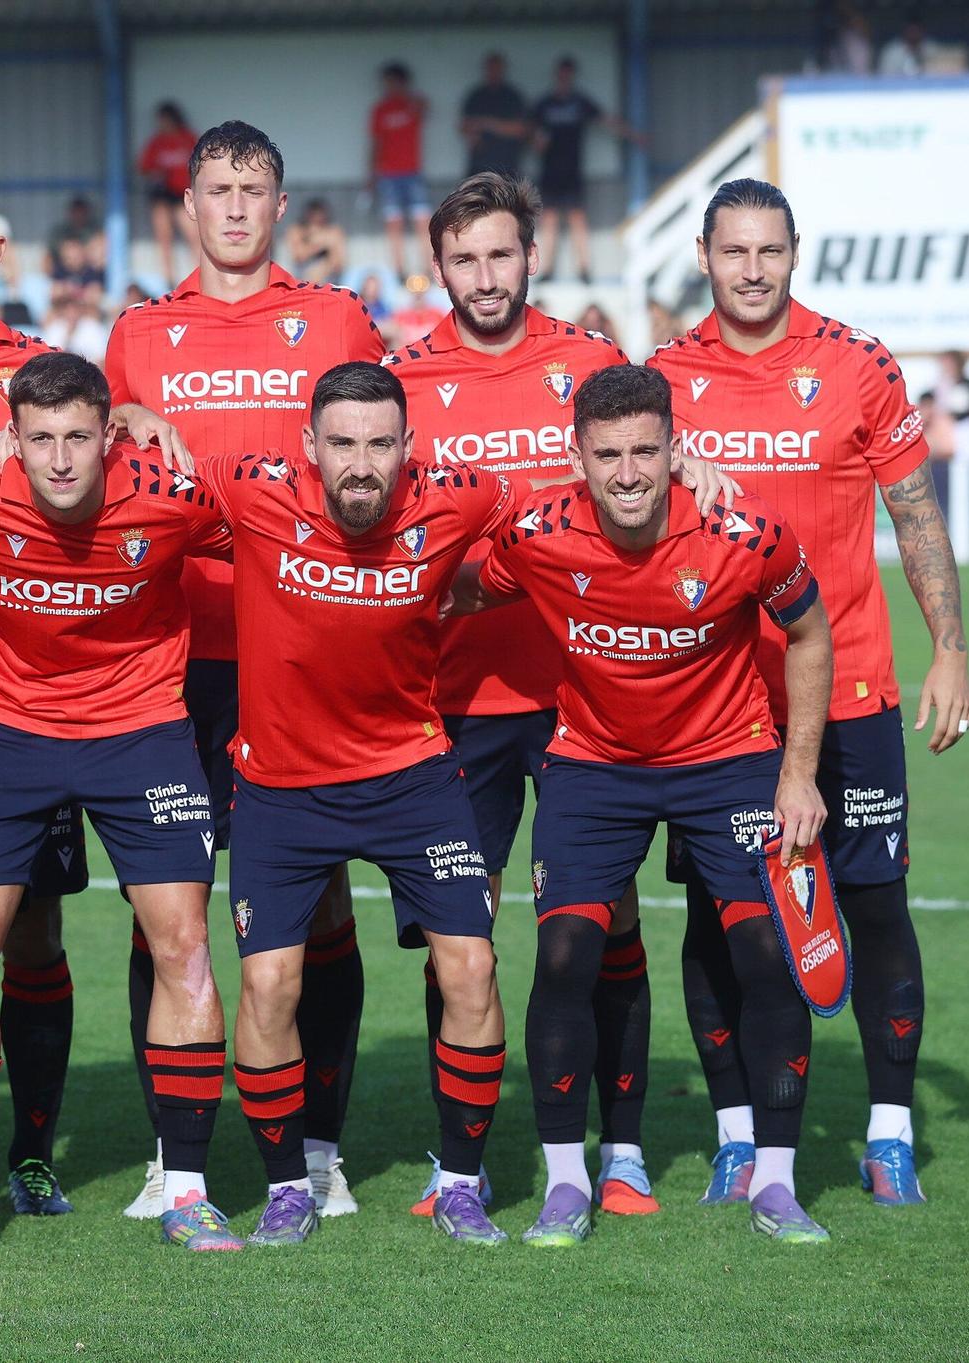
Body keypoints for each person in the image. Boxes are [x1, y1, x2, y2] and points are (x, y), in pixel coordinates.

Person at [456, 361, 837, 1245]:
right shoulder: (539, 530)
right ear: (575, 455)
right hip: (595, 765)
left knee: (766, 955)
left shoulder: (746, 531)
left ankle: (774, 1182)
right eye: (607, 455)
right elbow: (459, 589)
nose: (627, 474)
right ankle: (565, 1183)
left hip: (728, 759)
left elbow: (811, 630)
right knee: (562, 956)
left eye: (644, 452)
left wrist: (798, 770)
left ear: (677, 448)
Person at [648, 178, 969, 1206]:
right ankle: (737, 1133)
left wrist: (949, 649)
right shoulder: (659, 380)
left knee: (875, 905)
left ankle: (886, 1131)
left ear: (794, 254)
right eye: (732, 251)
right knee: (719, 916)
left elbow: (912, 509)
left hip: (853, 690)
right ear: (701, 254)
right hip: (715, 706)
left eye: (769, 252)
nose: (751, 270)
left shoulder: (855, 363)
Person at [105, 119, 384, 1218]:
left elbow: (374, 462)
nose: (231, 206)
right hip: (169, 661)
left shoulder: (333, 319)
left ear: (280, 206)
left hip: (302, 652)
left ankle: (318, 1147)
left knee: (316, 907)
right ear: (185, 206)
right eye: (214, 188)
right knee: (160, 909)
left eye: (251, 188)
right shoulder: (138, 331)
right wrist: (120, 410)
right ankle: (171, 1158)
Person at [0, 351, 240, 1255]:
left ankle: (186, 1188)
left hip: (141, 731)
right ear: (11, 437)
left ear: (110, 433)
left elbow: (286, 524)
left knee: (184, 948)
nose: (61, 460)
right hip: (4, 734)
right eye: (41, 438)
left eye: (79, 437)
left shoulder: (173, 490)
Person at [383, 172, 657, 1217]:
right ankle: (464, 1156)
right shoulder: (398, 377)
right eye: (463, 259)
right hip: (452, 698)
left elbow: (649, 478)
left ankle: (620, 1151)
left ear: (528, 255)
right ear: (437, 265)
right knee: (461, 927)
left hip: (589, 690)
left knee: (601, 918)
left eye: (500, 255)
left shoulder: (590, 365)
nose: (483, 277)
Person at [197, 362, 509, 1246]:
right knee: (267, 984)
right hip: (280, 785)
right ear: (309, 447)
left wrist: (689, 474)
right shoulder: (251, 490)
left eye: (380, 444)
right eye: (342, 444)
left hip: (412, 776)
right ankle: (291, 1185)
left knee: (472, 968)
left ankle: (458, 1182)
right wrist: (133, 411)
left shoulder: (461, 497)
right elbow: (134, 460)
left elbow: (574, 500)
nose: (361, 464)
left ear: (411, 449)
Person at [532, 57, 642, 285]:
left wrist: (633, 134)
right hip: (550, 172)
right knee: (549, 219)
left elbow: (606, 120)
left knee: (577, 218)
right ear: (556, 76)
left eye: (567, 74)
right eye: (561, 74)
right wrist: (538, 142)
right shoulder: (545, 105)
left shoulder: (579, 102)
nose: (564, 78)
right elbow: (532, 136)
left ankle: (584, 269)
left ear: (571, 76)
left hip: (573, 171)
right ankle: (547, 269)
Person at [369, 63, 430, 281]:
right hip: (388, 175)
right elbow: (375, 143)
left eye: (394, 81)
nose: (390, 86)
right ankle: (398, 270)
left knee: (423, 221)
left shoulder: (412, 104)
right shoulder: (380, 109)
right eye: (387, 82)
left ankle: (428, 267)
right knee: (394, 223)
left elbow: (425, 109)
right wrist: (371, 174)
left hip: (413, 172)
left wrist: (406, 95)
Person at [139, 103, 197, 283]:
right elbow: (144, 167)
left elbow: (201, 162)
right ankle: (168, 278)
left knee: (194, 235)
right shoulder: (157, 142)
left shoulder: (188, 138)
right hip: (162, 195)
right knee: (164, 237)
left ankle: (200, 274)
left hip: (182, 194)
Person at [460, 53, 531, 179]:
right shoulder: (476, 95)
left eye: (496, 68)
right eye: (490, 68)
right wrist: (471, 134)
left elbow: (520, 129)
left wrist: (487, 123)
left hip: (507, 167)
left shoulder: (513, 96)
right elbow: (464, 125)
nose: (493, 72)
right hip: (479, 167)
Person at [288, 199, 348, 285]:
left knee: (321, 268)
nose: (317, 218)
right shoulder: (297, 231)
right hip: (303, 277)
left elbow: (339, 263)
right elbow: (299, 256)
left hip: (329, 278)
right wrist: (320, 243)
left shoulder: (335, 231)